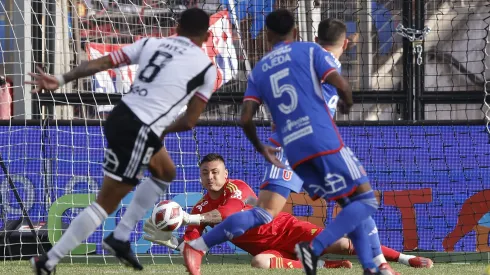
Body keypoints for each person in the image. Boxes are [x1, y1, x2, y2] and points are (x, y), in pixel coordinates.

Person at [182, 13, 392, 275]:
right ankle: (336, 254)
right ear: (296, 31)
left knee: (263, 213)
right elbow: (342, 86)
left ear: (267, 35)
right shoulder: (310, 52)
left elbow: (246, 117)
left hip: (286, 147)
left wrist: (261, 147)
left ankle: (199, 245)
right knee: (364, 200)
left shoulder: (260, 68)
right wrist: (347, 103)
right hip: (322, 141)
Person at [26, 8, 217, 274]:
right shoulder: (207, 69)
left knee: (165, 171)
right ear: (207, 35)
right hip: (139, 128)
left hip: (122, 117)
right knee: (105, 203)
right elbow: (189, 122)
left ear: (177, 27)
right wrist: (160, 129)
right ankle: (49, 260)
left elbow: (102, 63)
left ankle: (121, 235)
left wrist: (60, 79)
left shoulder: (152, 43)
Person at [143, 153, 433, 270]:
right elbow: (194, 246)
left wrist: (187, 219)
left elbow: (228, 216)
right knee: (259, 263)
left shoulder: (237, 188)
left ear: (225, 173)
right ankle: (324, 267)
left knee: (346, 244)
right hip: (268, 249)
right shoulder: (199, 207)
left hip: (287, 230)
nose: (210, 177)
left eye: (215, 171)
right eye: (205, 173)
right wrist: (172, 240)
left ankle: (407, 259)